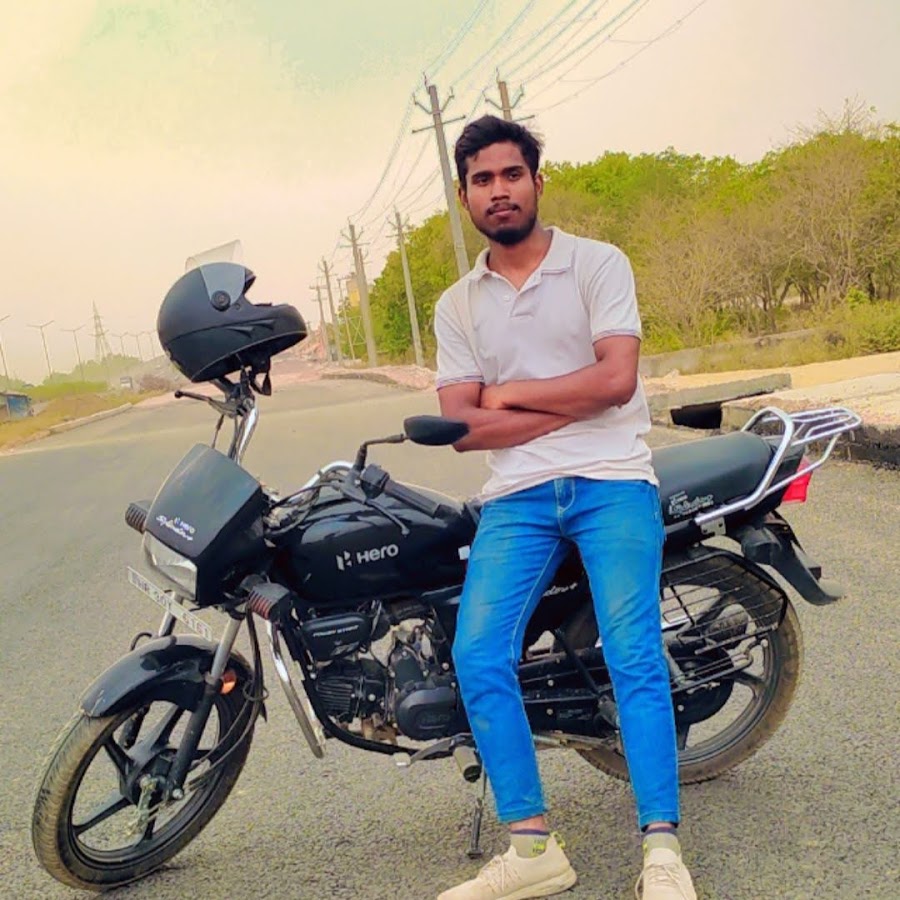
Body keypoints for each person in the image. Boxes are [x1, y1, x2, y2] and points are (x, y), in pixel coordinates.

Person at [432, 115, 697, 900]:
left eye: (511, 174)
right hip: (516, 495)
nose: (499, 190)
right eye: (482, 180)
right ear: (464, 197)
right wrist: (563, 405)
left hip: (613, 478)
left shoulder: (597, 263)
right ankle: (533, 849)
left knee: (633, 653)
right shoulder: (457, 305)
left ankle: (662, 851)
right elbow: (460, 427)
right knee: (478, 655)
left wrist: (507, 394)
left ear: (537, 182)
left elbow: (617, 381)